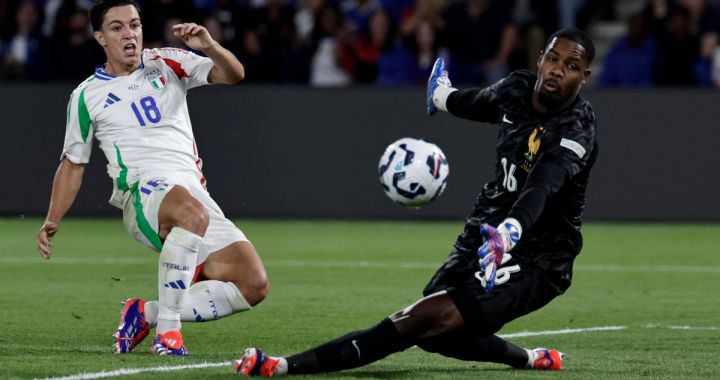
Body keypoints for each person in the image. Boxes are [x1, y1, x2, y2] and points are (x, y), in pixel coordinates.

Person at [235, 27, 598, 376]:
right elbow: (479, 102)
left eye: (571, 66)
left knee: (422, 319)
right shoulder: (517, 88)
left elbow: (543, 186)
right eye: (553, 58)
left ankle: (282, 366)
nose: (558, 70)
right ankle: (531, 359)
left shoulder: (576, 130)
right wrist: (441, 97)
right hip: (484, 231)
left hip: (540, 255)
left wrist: (511, 230)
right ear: (540, 59)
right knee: (436, 332)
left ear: (584, 76)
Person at [35, 0, 269, 356]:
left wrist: (208, 46)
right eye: (117, 28)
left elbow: (233, 73)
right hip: (141, 195)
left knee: (252, 284)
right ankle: (169, 335)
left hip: (194, 195)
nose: (129, 34)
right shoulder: (86, 95)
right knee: (191, 214)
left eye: (135, 24)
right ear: (100, 37)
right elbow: (73, 163)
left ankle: (146, 313)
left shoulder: (167, 61)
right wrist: (53, 219)